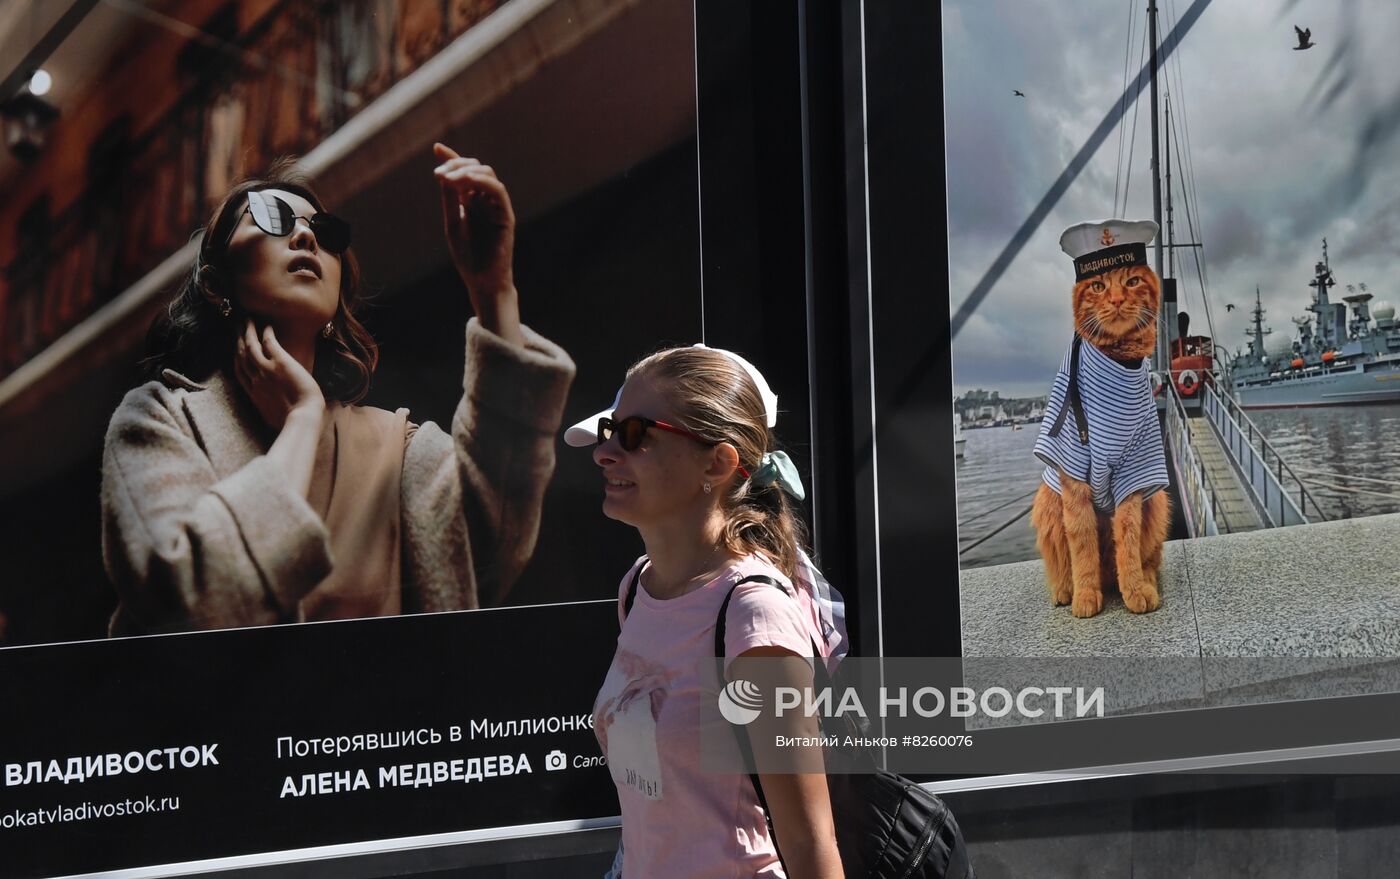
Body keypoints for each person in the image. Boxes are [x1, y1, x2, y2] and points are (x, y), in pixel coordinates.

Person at [101, 144, 575, 635]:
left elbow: (493, 548)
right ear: (217, 285)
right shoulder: (158, 421)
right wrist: (302, 420)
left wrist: (493, 290)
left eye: (324, 232)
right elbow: (195, 606)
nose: (305, 234)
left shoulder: (396, 448)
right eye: (271, 217)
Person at [574, 346, 845, 879]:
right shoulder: (639, 587)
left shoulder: (753, 612)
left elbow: (810, 843)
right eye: (609, 430)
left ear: (716, 463)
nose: (604, 453)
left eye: (634, 435)